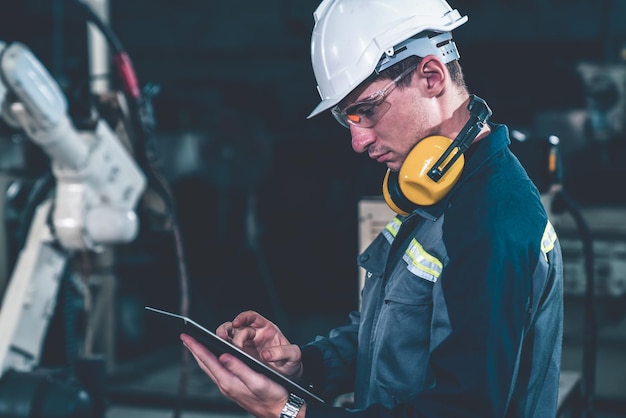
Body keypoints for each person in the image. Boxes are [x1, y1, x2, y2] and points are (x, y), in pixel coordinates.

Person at [181, 0, 564, 417]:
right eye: (348, 120)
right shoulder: (435, 188)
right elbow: (395, 337)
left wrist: (292, 412)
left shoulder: (492, 219)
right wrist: (304, 363)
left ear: (431, 77)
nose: (358, 142)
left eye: (366, 111)